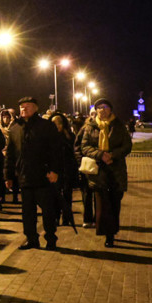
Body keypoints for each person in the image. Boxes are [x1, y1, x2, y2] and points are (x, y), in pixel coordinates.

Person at [5, 97, 63, 250]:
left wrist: (54, 170)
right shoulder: (15, 128)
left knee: (48, 210)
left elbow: (56, 150)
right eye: (22, 106)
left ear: (36, 108)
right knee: (28, 212)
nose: (24, 109)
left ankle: (51, 239)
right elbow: (10, 154)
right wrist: (8, 175)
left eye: (28, 106)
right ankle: (31, 239)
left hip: (43, 175)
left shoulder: (46, 126)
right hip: (24, 176)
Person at [78, 99, 132, 247]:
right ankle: (108, 235)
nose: (102, 110)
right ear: (96, 110)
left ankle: (112, 231)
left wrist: (112, 155)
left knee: (115, 203)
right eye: (99, 108)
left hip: (116, 170)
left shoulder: (118, 126)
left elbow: (127, 145)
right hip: (98, 170)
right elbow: (84, 147)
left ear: (110, 109)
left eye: (105, 107)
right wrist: (101, 154)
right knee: (102, 204)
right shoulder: (90, 127)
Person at [49, 111, 79, 227]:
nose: (57, 126)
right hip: (55, 169)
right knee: (55, 194)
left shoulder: (70, 136)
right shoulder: (49, 137)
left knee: (67, 194)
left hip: (67, 169)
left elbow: (73, 152)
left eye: (59, 123)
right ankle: (56, 217)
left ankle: (66, 218)